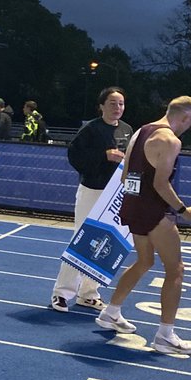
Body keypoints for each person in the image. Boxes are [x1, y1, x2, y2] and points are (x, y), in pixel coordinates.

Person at [96, 96, 191, 353]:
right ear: (185, 117)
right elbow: (160, 184)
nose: (189, 127)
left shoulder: (141, 131)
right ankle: (165, 335)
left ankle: (111, 312)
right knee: (176, 270)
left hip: (132, 206)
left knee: (145, 261)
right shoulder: (170, 140)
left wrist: (138, 202)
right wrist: (183, 210)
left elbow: (124, 176)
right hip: (154, 212)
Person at [50, 86, 132, 312]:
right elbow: (74, 156)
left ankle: (89, 293)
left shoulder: (127, 130)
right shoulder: (90, 129)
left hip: (114, 195)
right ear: (102, 106)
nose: (118, 108)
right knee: (81, 239)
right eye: (113, 103)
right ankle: (62, 293)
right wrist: (103, 156)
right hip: (92, 190)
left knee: (105, 243)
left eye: (121, 104)